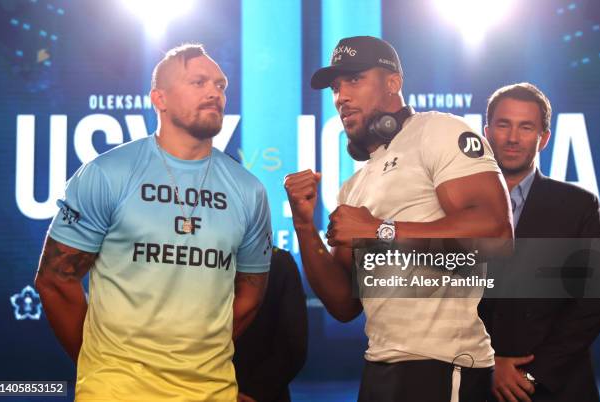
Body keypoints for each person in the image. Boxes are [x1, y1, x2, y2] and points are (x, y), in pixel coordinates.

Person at [34, 43, 272, 401]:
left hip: (213, 391)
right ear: (159, 98)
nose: (214, 92)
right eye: (198, 82)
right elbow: (55, 280)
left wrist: (196, 360)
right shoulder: (107, 174)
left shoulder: (249, 190)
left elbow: (251, 295)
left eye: (220, 85)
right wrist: (101, 364)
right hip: (115, 391)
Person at [284, 35, 512, 402]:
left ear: (393, 83)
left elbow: (496, 234)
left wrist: (379, 230)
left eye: (354, 80)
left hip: (444, 365)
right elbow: (344, 304)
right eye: (336, 86)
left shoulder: (438, 131)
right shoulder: (355, 186)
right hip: (380, 365)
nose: (341, 96)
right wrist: (304, 225)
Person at [480, 82, 600, 402]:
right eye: (503, 124)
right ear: (486, 132)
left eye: (526, 127)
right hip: (476, 382)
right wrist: (489, 365)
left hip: (557, 387)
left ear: (544, 138)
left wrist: (531, 374)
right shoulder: (454, 207)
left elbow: (591, 304)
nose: (512, 137)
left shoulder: (579, 205)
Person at [233, 247, 308, 402]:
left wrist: (253, 393)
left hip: (259, 393)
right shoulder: (278, 260)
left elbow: (293, 345)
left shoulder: (278, 262)